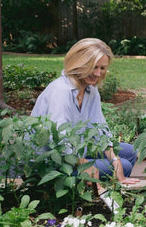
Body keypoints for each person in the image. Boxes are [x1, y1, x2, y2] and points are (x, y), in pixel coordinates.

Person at [31, 38, 139, 185]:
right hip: (50, 161)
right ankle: (68, 190)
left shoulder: (91, 90)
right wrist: (84, 165)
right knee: (125, 166)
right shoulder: (61, 91)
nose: (97, 74)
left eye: (102, 68)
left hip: (76, 148)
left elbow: (99, 129)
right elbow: (59, 141)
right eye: (93, 67)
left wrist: (115, 159)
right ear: (79, 63)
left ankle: (103, 189)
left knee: (129, 153)